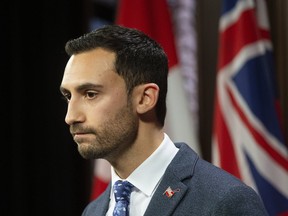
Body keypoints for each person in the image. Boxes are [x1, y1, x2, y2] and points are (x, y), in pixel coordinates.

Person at [59, 24, 268, 216]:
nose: (71, 117)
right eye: (68, 96)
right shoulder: (93, 211)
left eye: (90, 94)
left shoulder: (226, 201)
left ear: (145, 98)